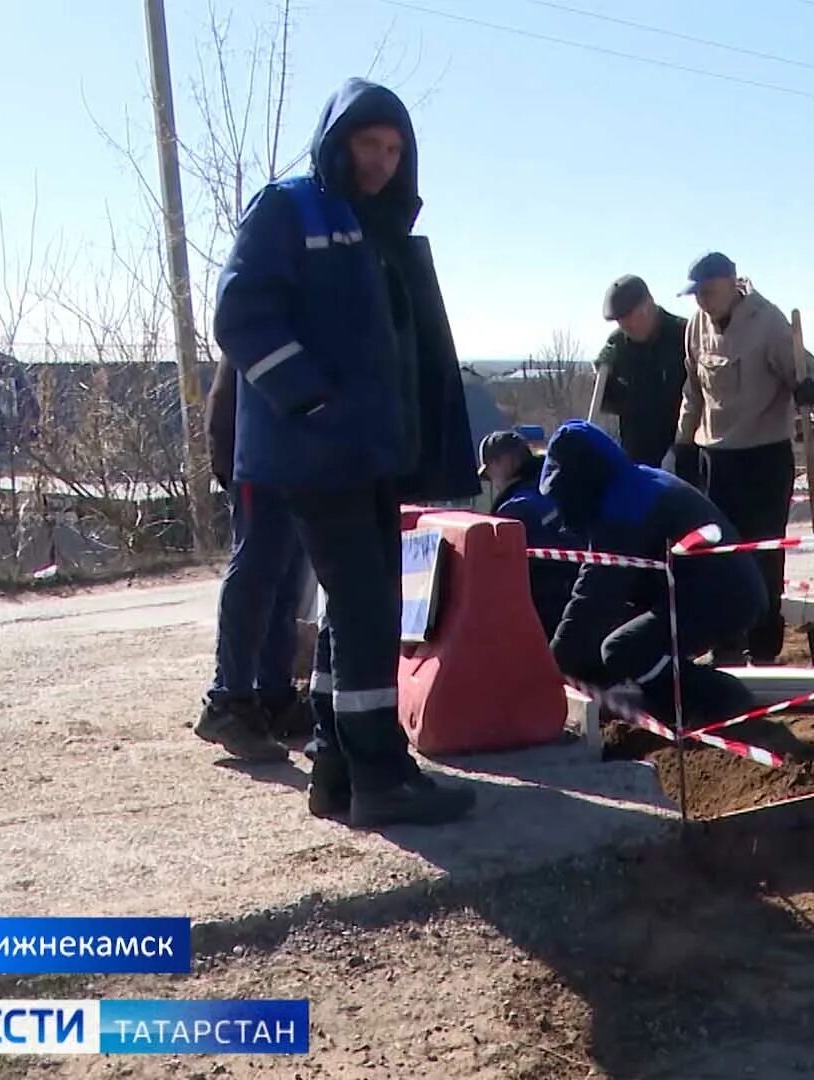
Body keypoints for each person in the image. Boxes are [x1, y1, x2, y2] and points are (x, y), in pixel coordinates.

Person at [211, 77, 475, 827]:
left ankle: (337, 768)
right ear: (337, 142)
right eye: (368, 144)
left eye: (394, 148)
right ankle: (381, 776)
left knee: (351, 611)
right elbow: (240, 314)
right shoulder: (289, 207)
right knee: (364, 611)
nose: (382, 160)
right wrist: (312, 397)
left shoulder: (377, 226)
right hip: (314, 452)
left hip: (370, 454)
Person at [539, 420, 760, 724]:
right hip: (710, 589)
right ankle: (670, 698)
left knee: (622, 649)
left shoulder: (626, 507)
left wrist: (550, 671)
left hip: (724, 596)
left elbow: (596, 596)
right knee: (618, 641)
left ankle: (722, 703)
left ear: (581, 480)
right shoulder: (631, 486)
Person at [669, 252, 814, 665]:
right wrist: (683, 445)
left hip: (762, 458)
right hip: (714, 457)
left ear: (731, 283)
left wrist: (810, 391)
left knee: (761, 555)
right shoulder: (695, 328)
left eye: (708, 292)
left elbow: (812, 372)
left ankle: (763, 646)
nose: (702, 301)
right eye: (697, 295)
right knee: (717, 554)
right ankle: (725, 642)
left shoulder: (768, 322)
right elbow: (693, 391)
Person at [195, 357, 314, 757]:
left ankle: (273, 695)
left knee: (285, 580)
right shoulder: (263, 308)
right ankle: (229, 700)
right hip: (257, 453)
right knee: (258, 570)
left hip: (291, 455)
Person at [478, 429, 580, 638]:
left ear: (507, 462)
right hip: (576, 597)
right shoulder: (556, 487)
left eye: (491, 469)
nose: (492, 481)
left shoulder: (514, 511)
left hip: (543, 610)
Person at [591, 275, 688, 471]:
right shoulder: (619, 344)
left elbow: (700, 397)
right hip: (637, 458)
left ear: (648, 304)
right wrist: (603, 378)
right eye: (620, 321)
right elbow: (613, 403)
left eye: (630, 317)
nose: (626, 326)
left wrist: (680, 448)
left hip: (682, 452)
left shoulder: (683, 334)